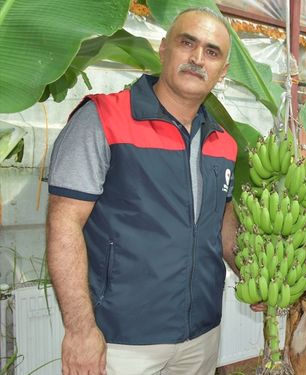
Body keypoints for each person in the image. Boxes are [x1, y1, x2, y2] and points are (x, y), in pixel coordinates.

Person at [46, 7, 238, 375]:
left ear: (223, 70)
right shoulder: (102, 119)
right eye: (187, 43)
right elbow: (64, 223)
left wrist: (255, 273)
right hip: (121, 339)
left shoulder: (223, 143)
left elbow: (221, 221)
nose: (198, 59)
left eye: (212, 52)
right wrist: (80, 329)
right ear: (163, 49)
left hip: (200, 335)